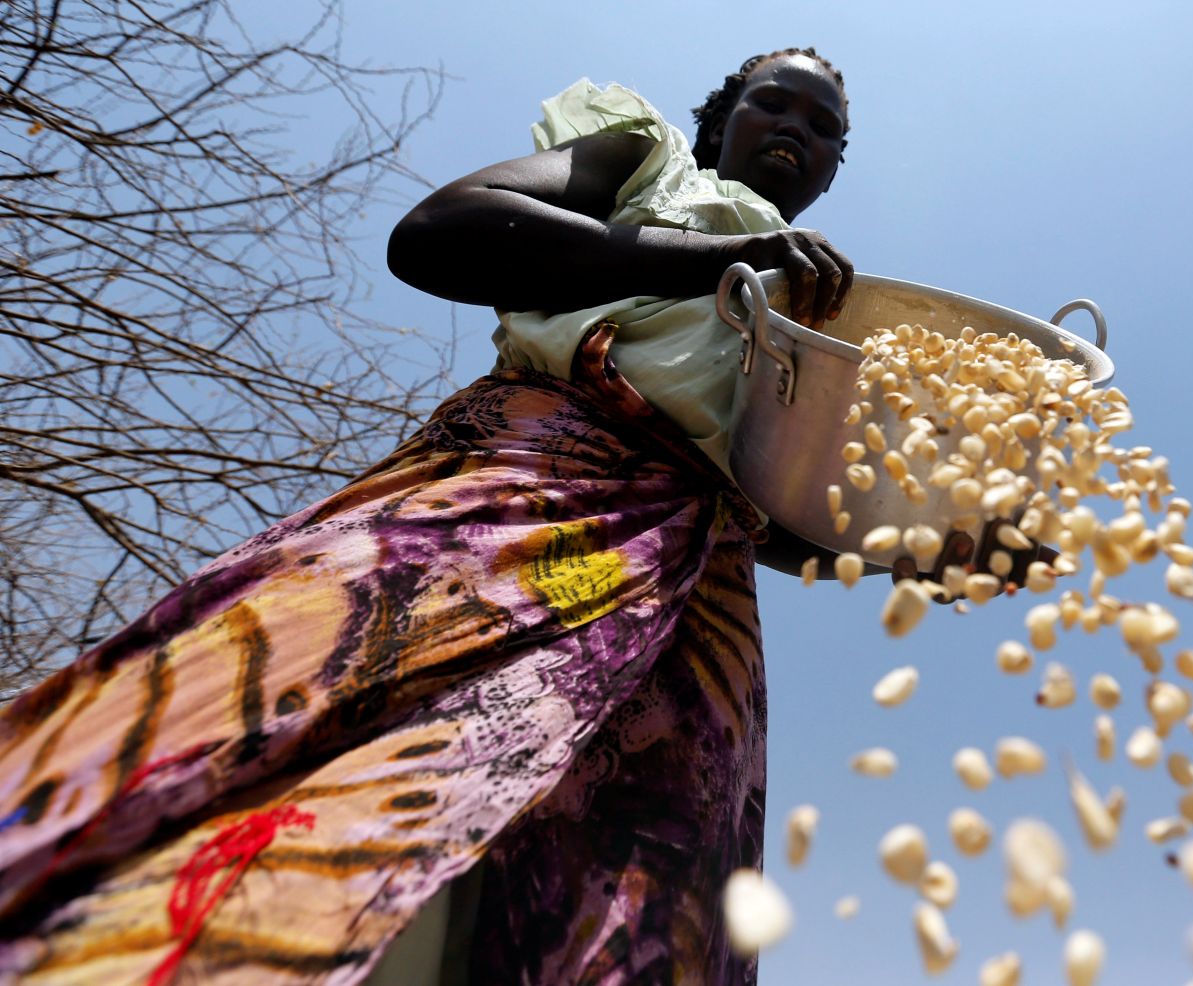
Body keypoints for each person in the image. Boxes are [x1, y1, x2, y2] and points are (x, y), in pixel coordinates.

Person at [0, 48, 853, 985]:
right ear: (723, 115)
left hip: (695, 586)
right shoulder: (651, 165)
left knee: (637, 867)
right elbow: (445, 231)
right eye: (777, 103)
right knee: (327, 699)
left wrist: (930, 548)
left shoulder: (822, 307)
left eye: (825, 132)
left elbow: (778, 506)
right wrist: (714, 258)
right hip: (530, 477)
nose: (797, 132)